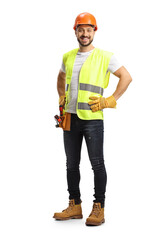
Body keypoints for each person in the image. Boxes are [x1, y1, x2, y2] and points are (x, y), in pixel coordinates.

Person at [53, 12, 132, 226]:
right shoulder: (68, 56)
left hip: (93, 119)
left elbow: (127, 77)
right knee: (71, 164)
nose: (84, 33)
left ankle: (99, 208)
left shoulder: (106, 56)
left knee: (97, 164)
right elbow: (60, 78)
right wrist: (62, 97)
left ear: (94, 32)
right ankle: (75, 205)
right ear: (76, 32)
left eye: (88, 30)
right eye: (81, 30)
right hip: (69, 117)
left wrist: (110, 100)